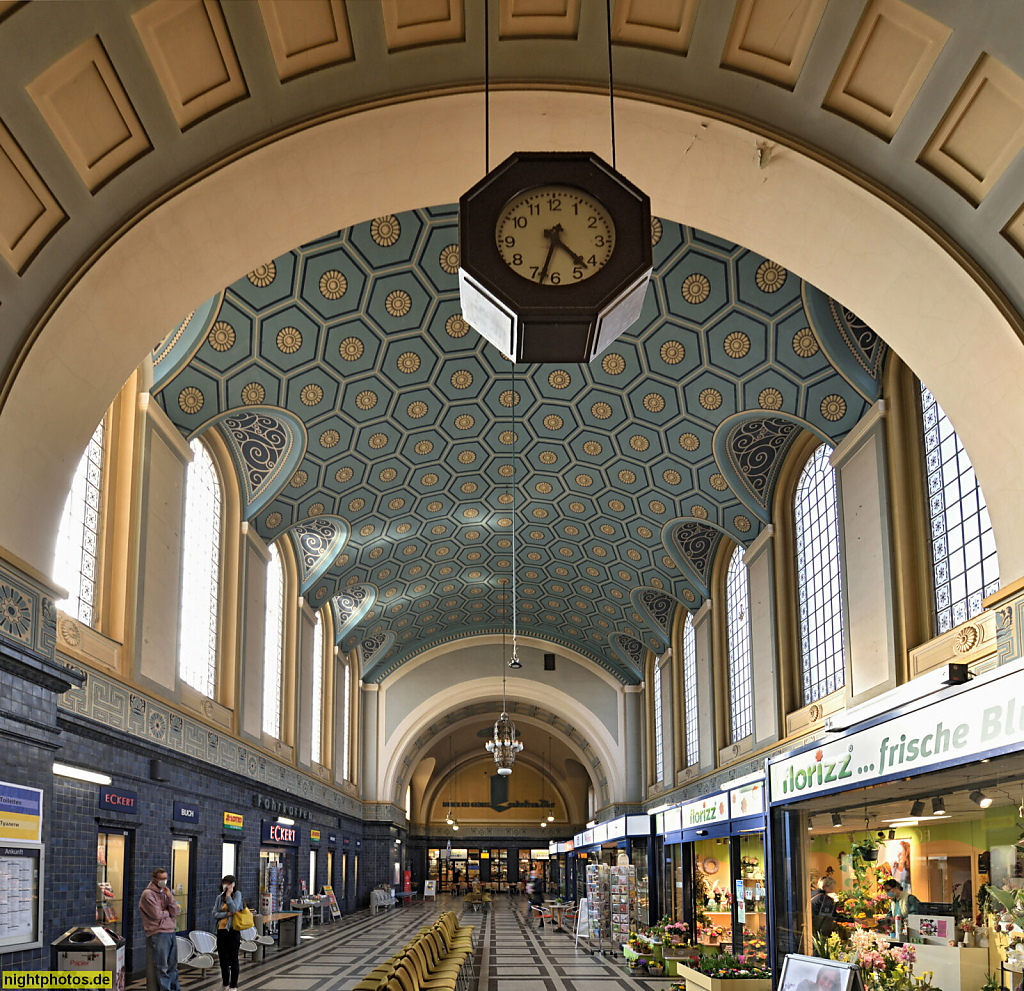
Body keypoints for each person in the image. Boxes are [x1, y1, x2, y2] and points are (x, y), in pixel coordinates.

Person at [139, 868, 180, 991]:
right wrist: (168, 912)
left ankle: (175, 988)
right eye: (161, 879)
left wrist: (170, 897)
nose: (164, 881)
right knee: (162, 966)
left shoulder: (166, 892)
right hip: (158, 933)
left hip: (171, 931)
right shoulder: (148, 894)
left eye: (165, 879)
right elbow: (156, 915)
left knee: (173, 966)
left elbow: (175, 911)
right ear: (155, 879)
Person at [212, 874, 243, 991]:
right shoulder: (219, 897)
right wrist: (225, 914)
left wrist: (229, 896)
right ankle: (225, 983)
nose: (226, 886)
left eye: (229, 884)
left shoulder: (237, 895)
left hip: (232, 930)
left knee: (233, 958)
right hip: (221, 931)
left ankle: (233, 985)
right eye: (225, 884)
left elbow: (234, 909)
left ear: (233, 885)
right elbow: (214, 913)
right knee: (223, 958)